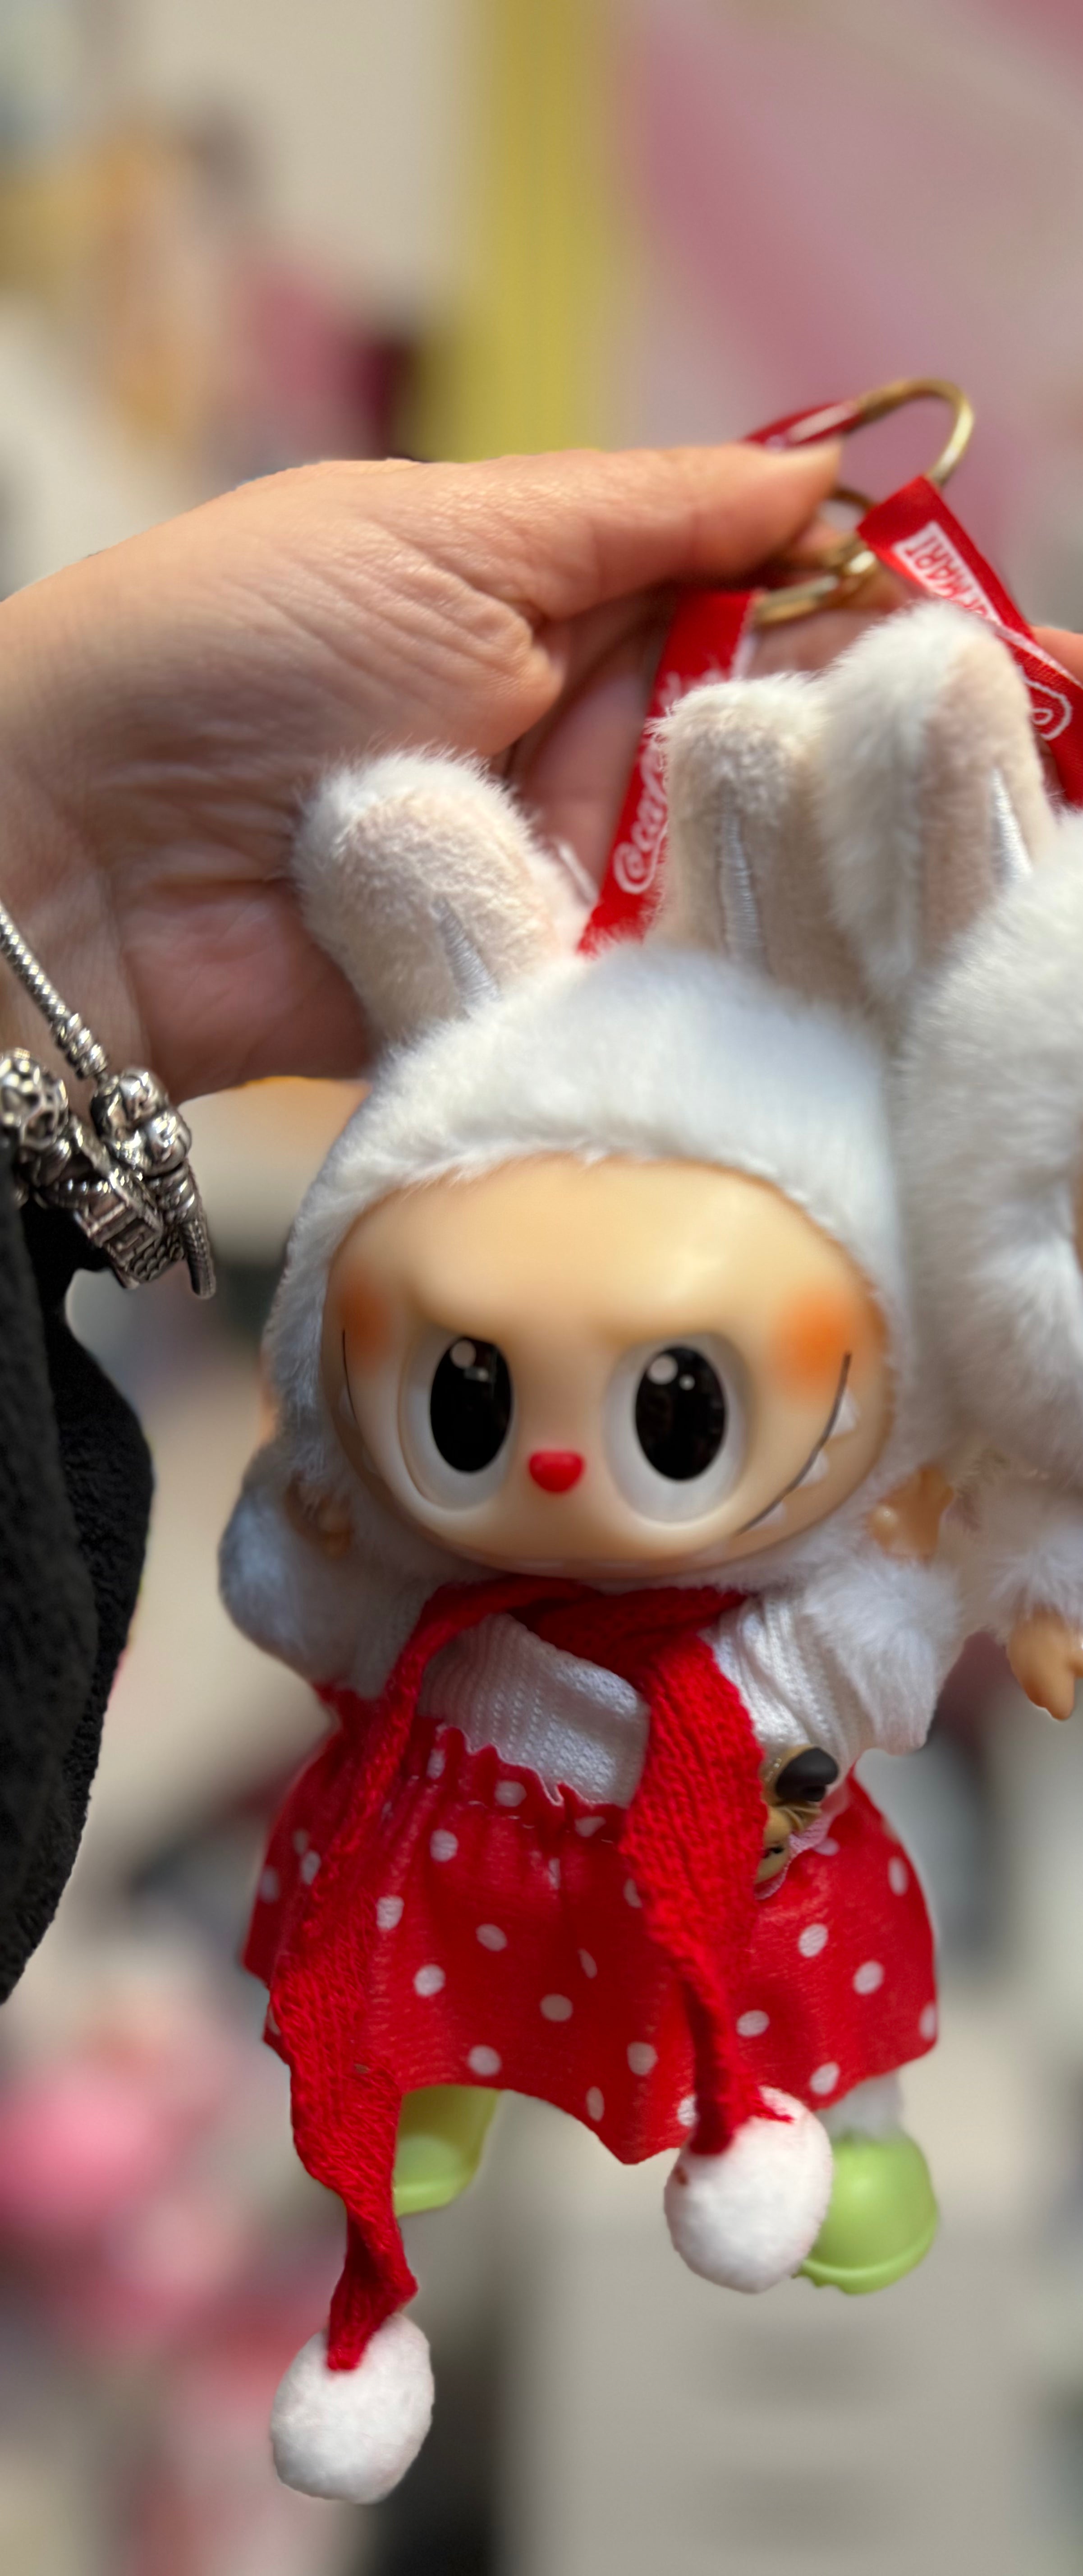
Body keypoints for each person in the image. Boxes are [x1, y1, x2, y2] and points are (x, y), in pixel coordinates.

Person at [0, 437, 844, 1989]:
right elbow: (291, 1601)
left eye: (676, 1403)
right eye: (468, 1391)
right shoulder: (428, 1593)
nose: (566, 1468)